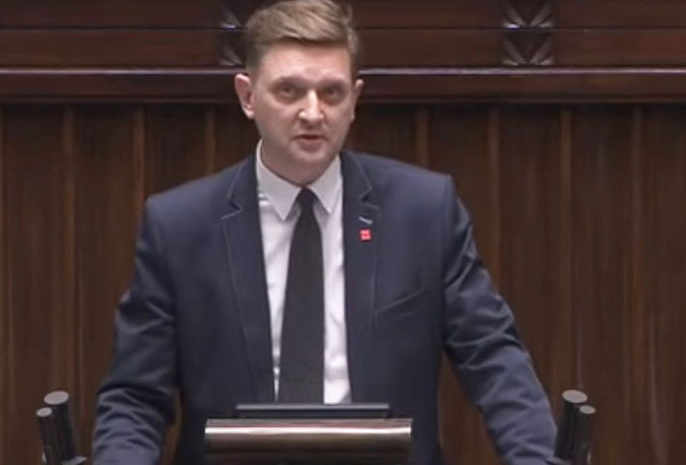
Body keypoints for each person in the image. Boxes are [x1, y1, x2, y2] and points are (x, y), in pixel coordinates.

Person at [92, 1, 556, 464]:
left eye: (331, 93)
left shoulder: (423, 212)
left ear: (354, 100)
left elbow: (494, 360)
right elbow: (135, 398)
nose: (312, 113)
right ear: (247, 96)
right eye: (289, 91)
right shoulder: (180, 227)